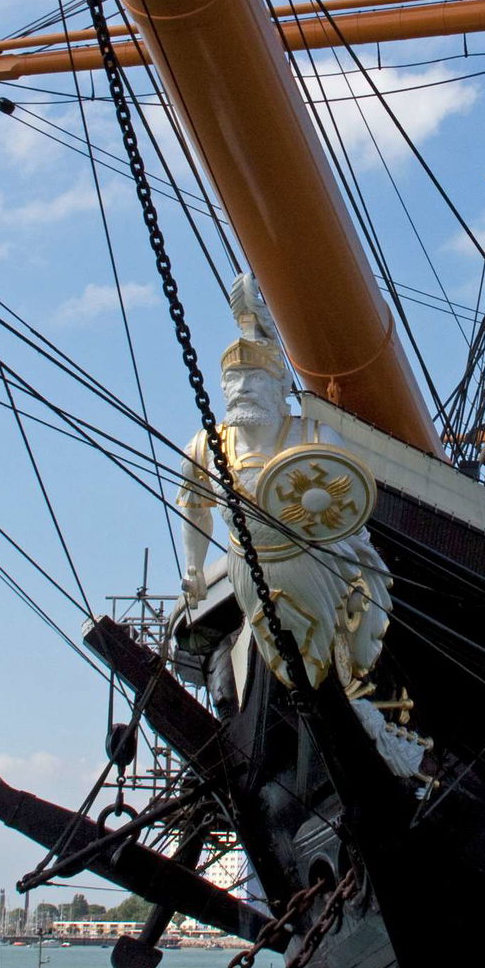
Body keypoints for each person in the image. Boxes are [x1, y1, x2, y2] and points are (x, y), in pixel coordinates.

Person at [177, 275, 390, 691]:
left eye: (254, 378)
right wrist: (193, 567)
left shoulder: (314, 438)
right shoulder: (207, 446)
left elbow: (349, 502)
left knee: (328, 652)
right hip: (248, 563)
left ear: (279, 388)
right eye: (233, 380)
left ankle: (341, 692)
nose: (242, 388)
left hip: (312, 560)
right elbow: (195, 507)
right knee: (279, 654)